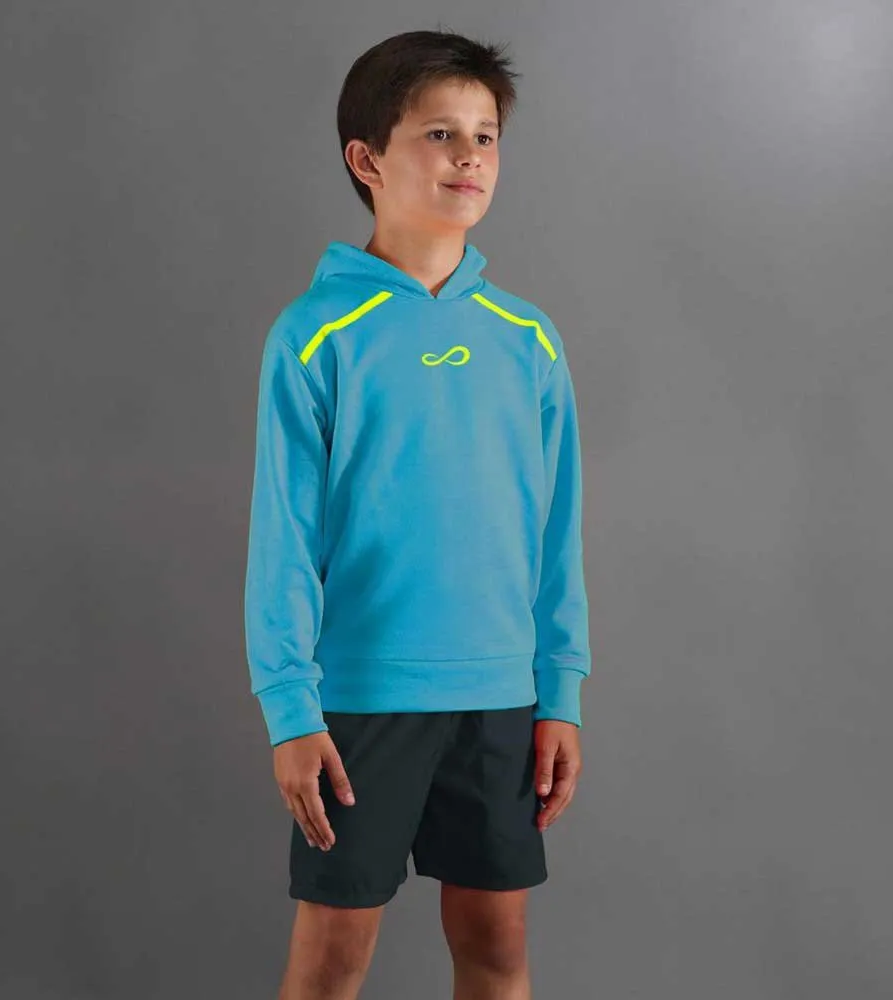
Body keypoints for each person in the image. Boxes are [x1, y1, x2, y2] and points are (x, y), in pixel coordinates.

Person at [244, 28, 592, 1000]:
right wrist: (289, 709)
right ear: (367, 160)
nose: (470, 155)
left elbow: (555, 528)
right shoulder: (316, 336)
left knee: (496, 947)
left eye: (485, 136)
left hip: (500, 696)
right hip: (363, 699)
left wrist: (559, 690)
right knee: (332, 959)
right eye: (440, 133)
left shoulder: (528, 338)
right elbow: (282, 538)